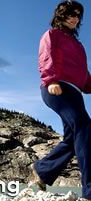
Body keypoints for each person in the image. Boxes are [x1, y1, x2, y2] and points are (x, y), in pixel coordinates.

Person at [32, 1, 91, 200]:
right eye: (70, 14)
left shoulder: (79, 45)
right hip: (56, 87)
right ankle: (89, 191)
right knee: (84, 127)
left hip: (75, 93)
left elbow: (83, 73)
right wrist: (50, 80)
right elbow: (45, 56)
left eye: (78, 15)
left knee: (74, 139)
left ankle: (42, 170)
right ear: (61, 15)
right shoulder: (52, 35)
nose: (75, 18)